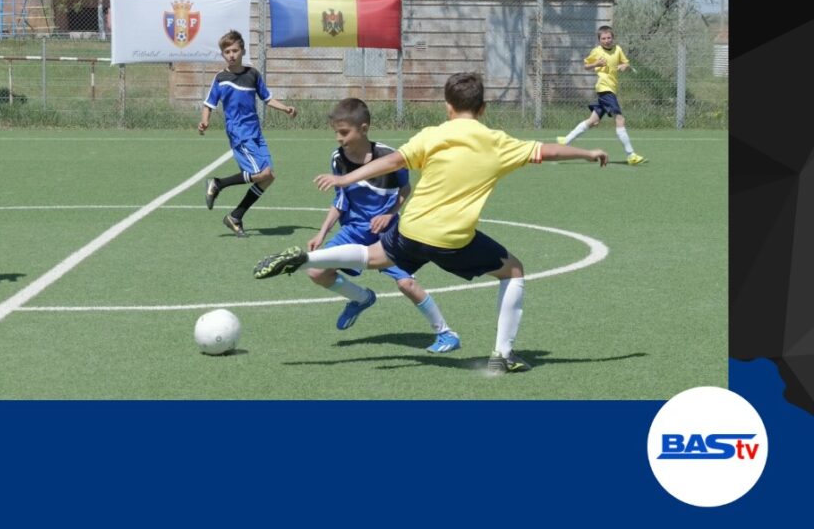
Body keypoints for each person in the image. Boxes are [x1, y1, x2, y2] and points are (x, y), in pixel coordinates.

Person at [254, 72, 608, 375]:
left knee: (373, 256)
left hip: (410, 228)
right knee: (513, 270)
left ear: (447, 107)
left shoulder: (432, 135)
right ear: (483, 109)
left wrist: (345, 179)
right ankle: (502, 355)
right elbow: (547, 151)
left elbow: (391, 161)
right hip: (452, 239)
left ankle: (307, 259)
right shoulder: (498, 143)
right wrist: (588, 153)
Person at [306, 98, 460, 353]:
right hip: (353, 232)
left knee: (406, 284)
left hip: (388, 234)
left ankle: (446, 333)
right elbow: (340, 201)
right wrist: (322, 233)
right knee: (316, 271)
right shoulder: (337, 158)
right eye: (336, 132)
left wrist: (389, 214)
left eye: (344, 132)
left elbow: (405, 188)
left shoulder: (389, 156)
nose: (338, 138)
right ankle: (362, 298)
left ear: (363, 129)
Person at [198, 29, 297, 237]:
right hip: (239, 133)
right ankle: (218, 184)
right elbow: (208, 104)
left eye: (234, 50)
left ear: (242, 51)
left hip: (256, 132)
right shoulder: (221, 78)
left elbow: (267, 98)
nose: (231, 55)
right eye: (227, 52)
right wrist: (205, 121)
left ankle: (235, 216)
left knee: (268, 177)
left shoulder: (253, 74)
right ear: (223, 54)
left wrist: (285, 108)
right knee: (262, 174)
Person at [558, 25, 647, 165]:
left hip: (611, 89)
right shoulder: (596, 51)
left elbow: (626, 65)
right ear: (599, 40)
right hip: (604, 89)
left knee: (592, 121)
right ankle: (631, 155)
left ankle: (566, 141)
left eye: (609, 38)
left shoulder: (618, 50)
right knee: (620, 119)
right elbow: (586, 66)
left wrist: (625, 67)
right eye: (603, 38)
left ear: (613, 38)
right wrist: (596, 63)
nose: (606, 40)